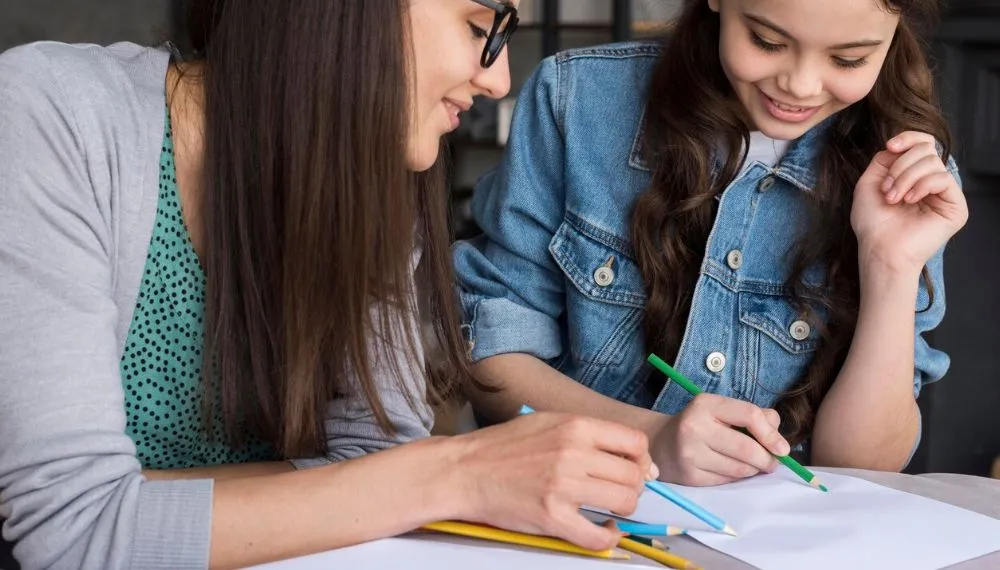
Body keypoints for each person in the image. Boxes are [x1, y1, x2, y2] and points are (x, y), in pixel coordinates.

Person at [0, 1, 657, 568]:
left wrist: (142, 501)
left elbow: (375, 457)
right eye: (479, 24)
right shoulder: (52, 117)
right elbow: (73, 532)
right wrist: (456, 473)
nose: (498, 77)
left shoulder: (371, 194)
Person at [454, 0, 969, 487]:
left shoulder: (907, 180)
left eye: (848, 58)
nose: (801, 85)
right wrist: (652, 438)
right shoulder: (577, 97)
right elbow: (490, 350)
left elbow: (860, 466)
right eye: (768, 41)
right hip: (579, 520)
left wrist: (890, 266)